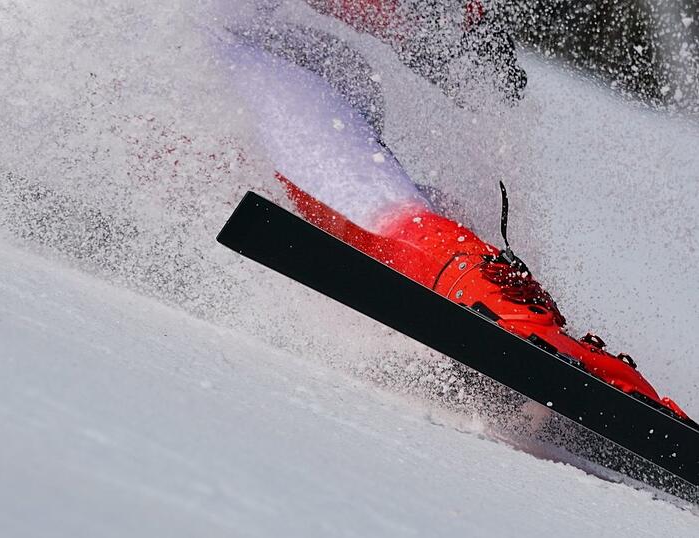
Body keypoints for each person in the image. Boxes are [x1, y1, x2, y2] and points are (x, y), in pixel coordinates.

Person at [219, 0, 693, 421]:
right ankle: (457, 269)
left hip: (239, 52)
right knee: (293, 82)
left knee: (341, 75)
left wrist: (451, 31)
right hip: (191, 62)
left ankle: (467, 278)